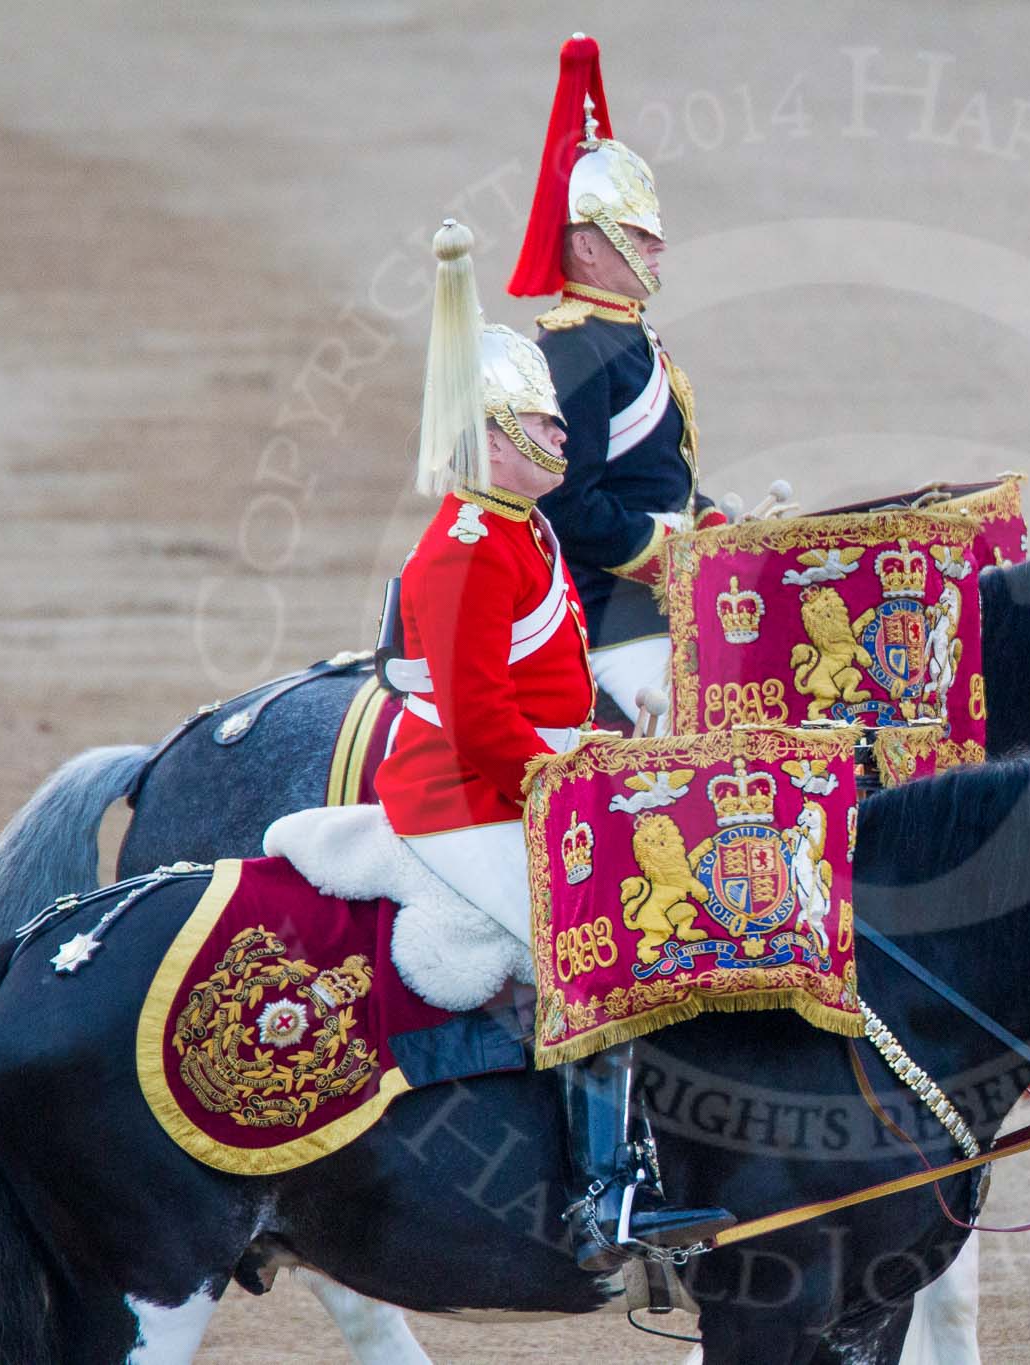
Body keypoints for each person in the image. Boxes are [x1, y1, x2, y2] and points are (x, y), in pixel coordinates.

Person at [375, 218, 733, 1269]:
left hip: (518, 770)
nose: (562, 437)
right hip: (457, 793)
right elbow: (482, 721)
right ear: (488, 437)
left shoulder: (519, 528)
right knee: (595, 942)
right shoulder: (464, 551)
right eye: (539, 424)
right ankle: (600, 1197)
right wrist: (564, 779)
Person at [508, 33, 726, 729]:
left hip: (661, 597)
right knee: (685, 732)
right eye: (639, 232)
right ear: (588, 247)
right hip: (611, 614)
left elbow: (652, 474)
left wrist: (710, 520)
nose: (658, 244)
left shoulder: (626, 334)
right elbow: (568, 506)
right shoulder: (574, 349)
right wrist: (672, 552)